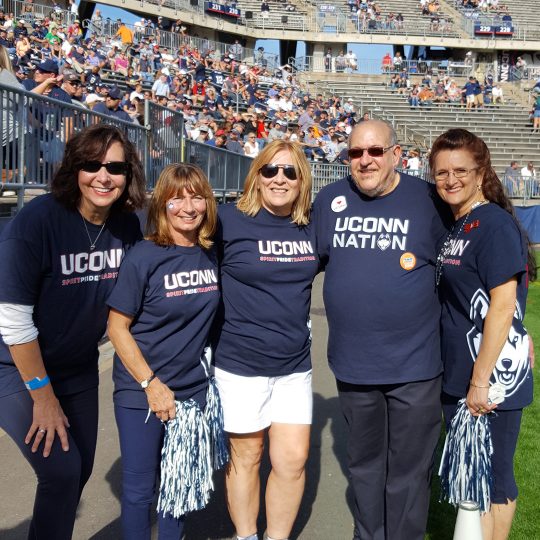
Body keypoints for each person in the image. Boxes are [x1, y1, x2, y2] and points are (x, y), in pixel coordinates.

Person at [0, 124, 146, 540]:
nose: (103, 176)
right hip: (14, 364)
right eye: (91, 164)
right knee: (62, 472)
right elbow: (12, 320)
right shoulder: (36, 223)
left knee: (77, 472)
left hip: (77, 365)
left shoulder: (126, 226)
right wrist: (43, 398)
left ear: (128, 174)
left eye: (115, 167)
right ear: (73, 168)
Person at [312, 119, 449, 540]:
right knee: (366, 466)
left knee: (408, 472)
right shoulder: (330, 200)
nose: (365, 160)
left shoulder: (429, 200)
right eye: (355, 153)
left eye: (374, 151)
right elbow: (298, 269)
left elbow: (471, 264)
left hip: (416, 366)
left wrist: (511, 321)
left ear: (396, 154)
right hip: (354, 366)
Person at [107, 163, 226, 540]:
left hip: (190, 391)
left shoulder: (209, 254)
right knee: (141, 492)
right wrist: (150, 383)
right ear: (162, 204)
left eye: (197, 197)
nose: (188, 207)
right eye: (177, 198)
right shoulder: (144, 256)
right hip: (141, 391)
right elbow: (117, 327)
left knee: (178, 489)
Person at [429, 128, 536, 540]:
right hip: (460, 370)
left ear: (480, 173)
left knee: (492, 480)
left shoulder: (492, 224)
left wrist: (480, 379)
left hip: (491, 379)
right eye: (441, 173)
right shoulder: (458, 224)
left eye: (460, 171)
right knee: (471, 480)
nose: (450, 180)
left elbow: (504, 305)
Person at [213, 140, 319, 540]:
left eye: (290, 172)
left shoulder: (311, 226)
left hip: (294, 365)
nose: (280, 178)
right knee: (248, 456)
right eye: (270, 170)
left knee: (292, 460)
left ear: (301, 180)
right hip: (240, 365)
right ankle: (245, 535)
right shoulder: (227, 221)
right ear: (256, 176)